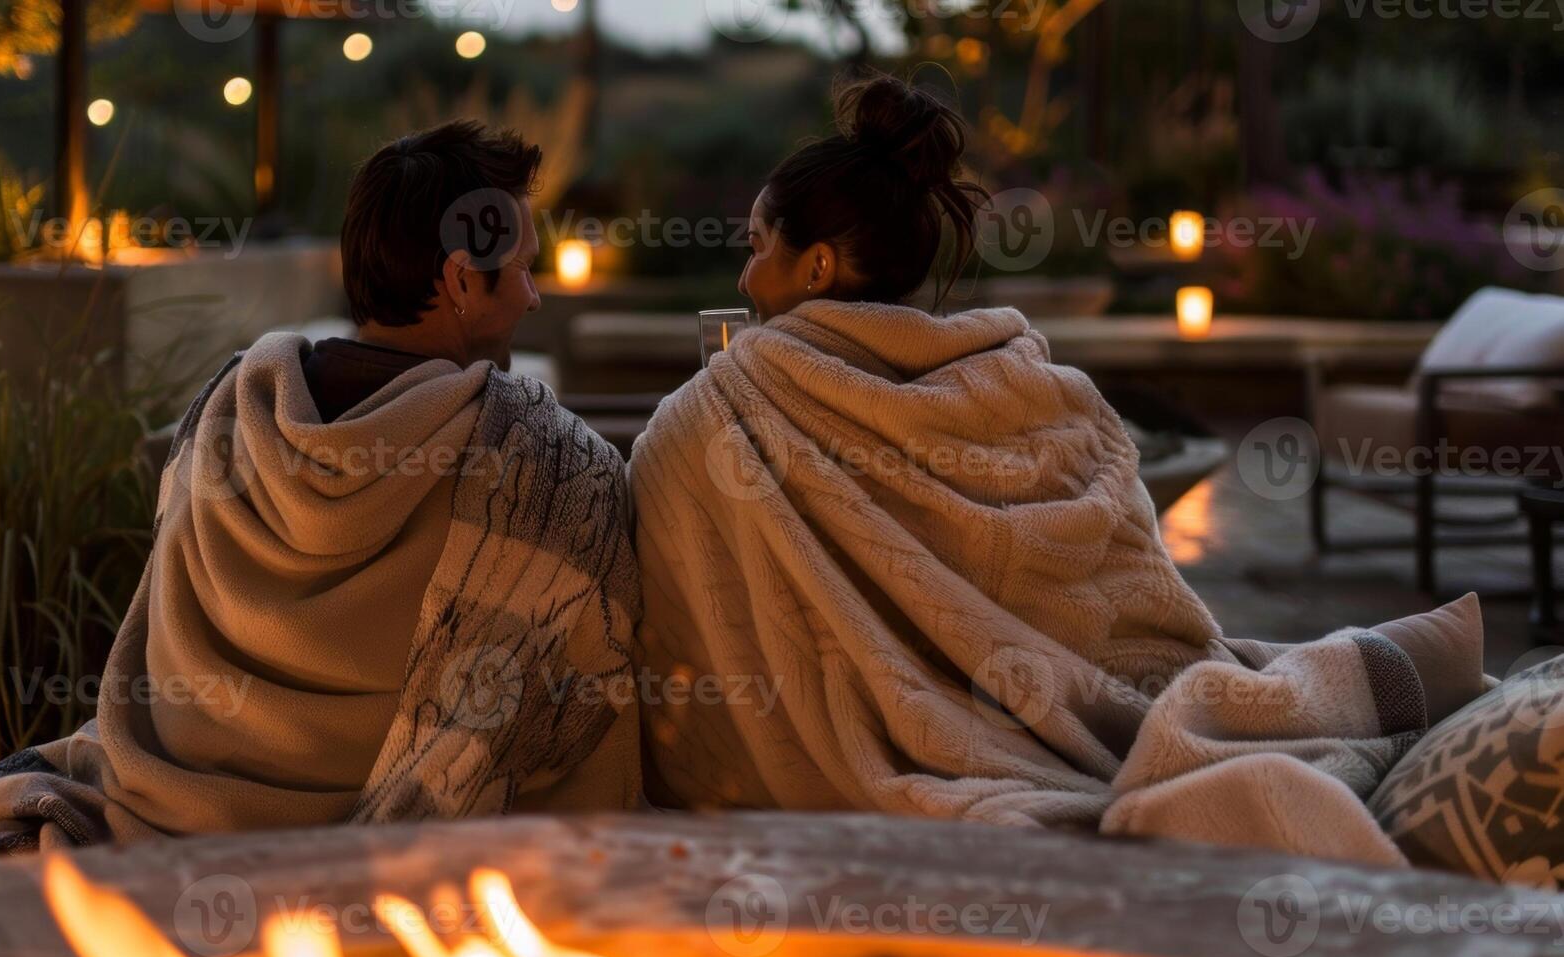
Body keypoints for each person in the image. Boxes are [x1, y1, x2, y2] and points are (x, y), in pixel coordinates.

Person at [627, 74, 1483, 862]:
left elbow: (674, 610)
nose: (743, 273)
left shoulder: (719, 414)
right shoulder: (1037, 390)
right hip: (1118, 729)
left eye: (754, 245)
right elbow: (1132, 603)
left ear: (814, 265)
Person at [0, 120, 641, 876]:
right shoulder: (541, 469)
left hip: (171, 803)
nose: (534, 297)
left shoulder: (224, 417)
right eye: (524, 270)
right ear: (462, 281)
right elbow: (580, 713)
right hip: (386, 836)